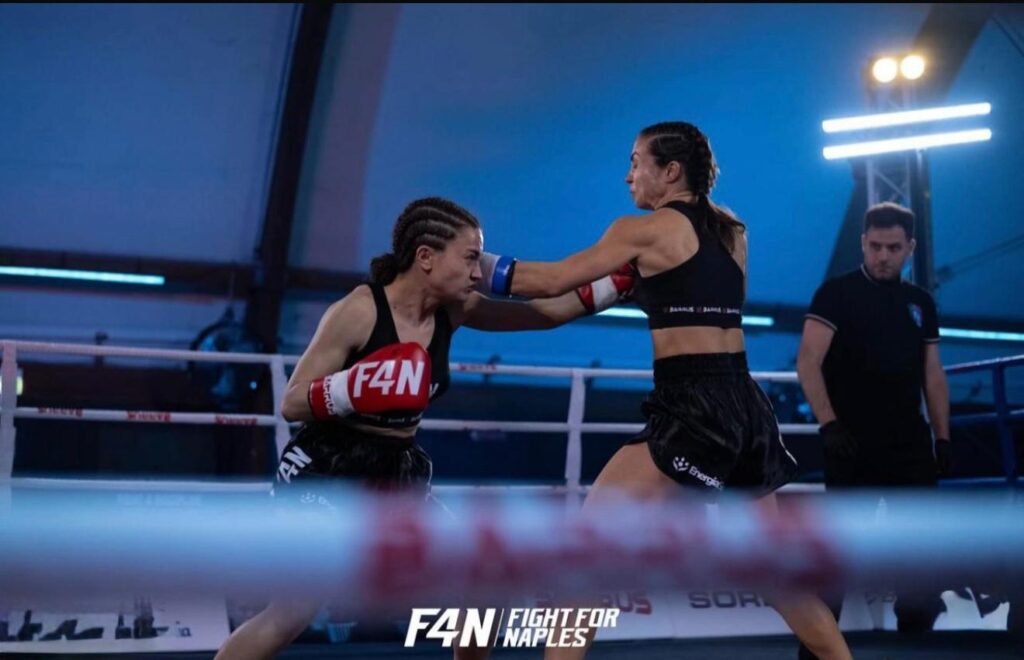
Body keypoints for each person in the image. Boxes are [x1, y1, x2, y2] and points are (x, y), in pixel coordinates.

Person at [476, 122, 852, 660]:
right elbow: (559, 310)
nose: (627, 175)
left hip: (695, 407)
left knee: (586, 554)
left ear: (670, 171)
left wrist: (468, 263)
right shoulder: (732, 232)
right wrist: (469, 312)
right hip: (745, 406)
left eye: (636, 162)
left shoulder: (643, 231)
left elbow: (550, 280)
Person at [214, 197, 635, 660]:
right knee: (294, 610)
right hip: (328, 467)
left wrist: (614, 284)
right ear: (426, 257)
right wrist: (353, 388)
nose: (478, 272)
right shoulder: (360, 310)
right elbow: (291, 402)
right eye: (470, 257)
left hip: (397, 469)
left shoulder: (454, 310)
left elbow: (545, 314)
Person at [795, 202, 952, 650]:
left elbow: (933, 374)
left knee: (920, 553)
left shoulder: (920, 302)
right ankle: (817, 652)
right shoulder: (836, 294)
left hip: (909, 443)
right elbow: (808, 361)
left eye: (893, 248)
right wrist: (829, 424)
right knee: (839, 555)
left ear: (910, 248)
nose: (883, 256)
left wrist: (943, 436)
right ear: (863, 243)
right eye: (876, 246)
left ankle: (916, 646)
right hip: (851, 441)